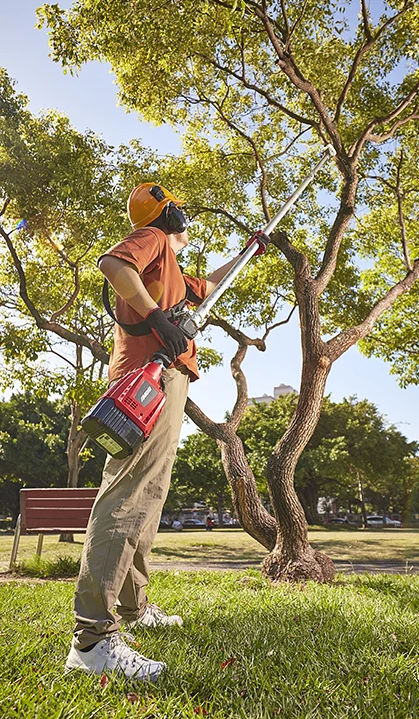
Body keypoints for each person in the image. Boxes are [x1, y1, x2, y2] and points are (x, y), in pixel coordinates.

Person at [65, 183, 268, 681]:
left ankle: (135, 609)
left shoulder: (172, 270)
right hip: (145, 381)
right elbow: (113, 266)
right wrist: (157, 316)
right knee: (130, 495)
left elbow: (212, 284)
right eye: (173, 204)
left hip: (168, 380)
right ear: (163, 213)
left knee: (150, 496)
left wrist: (249, 249)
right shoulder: (151, 237)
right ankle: (93, 638)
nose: (180, 210)